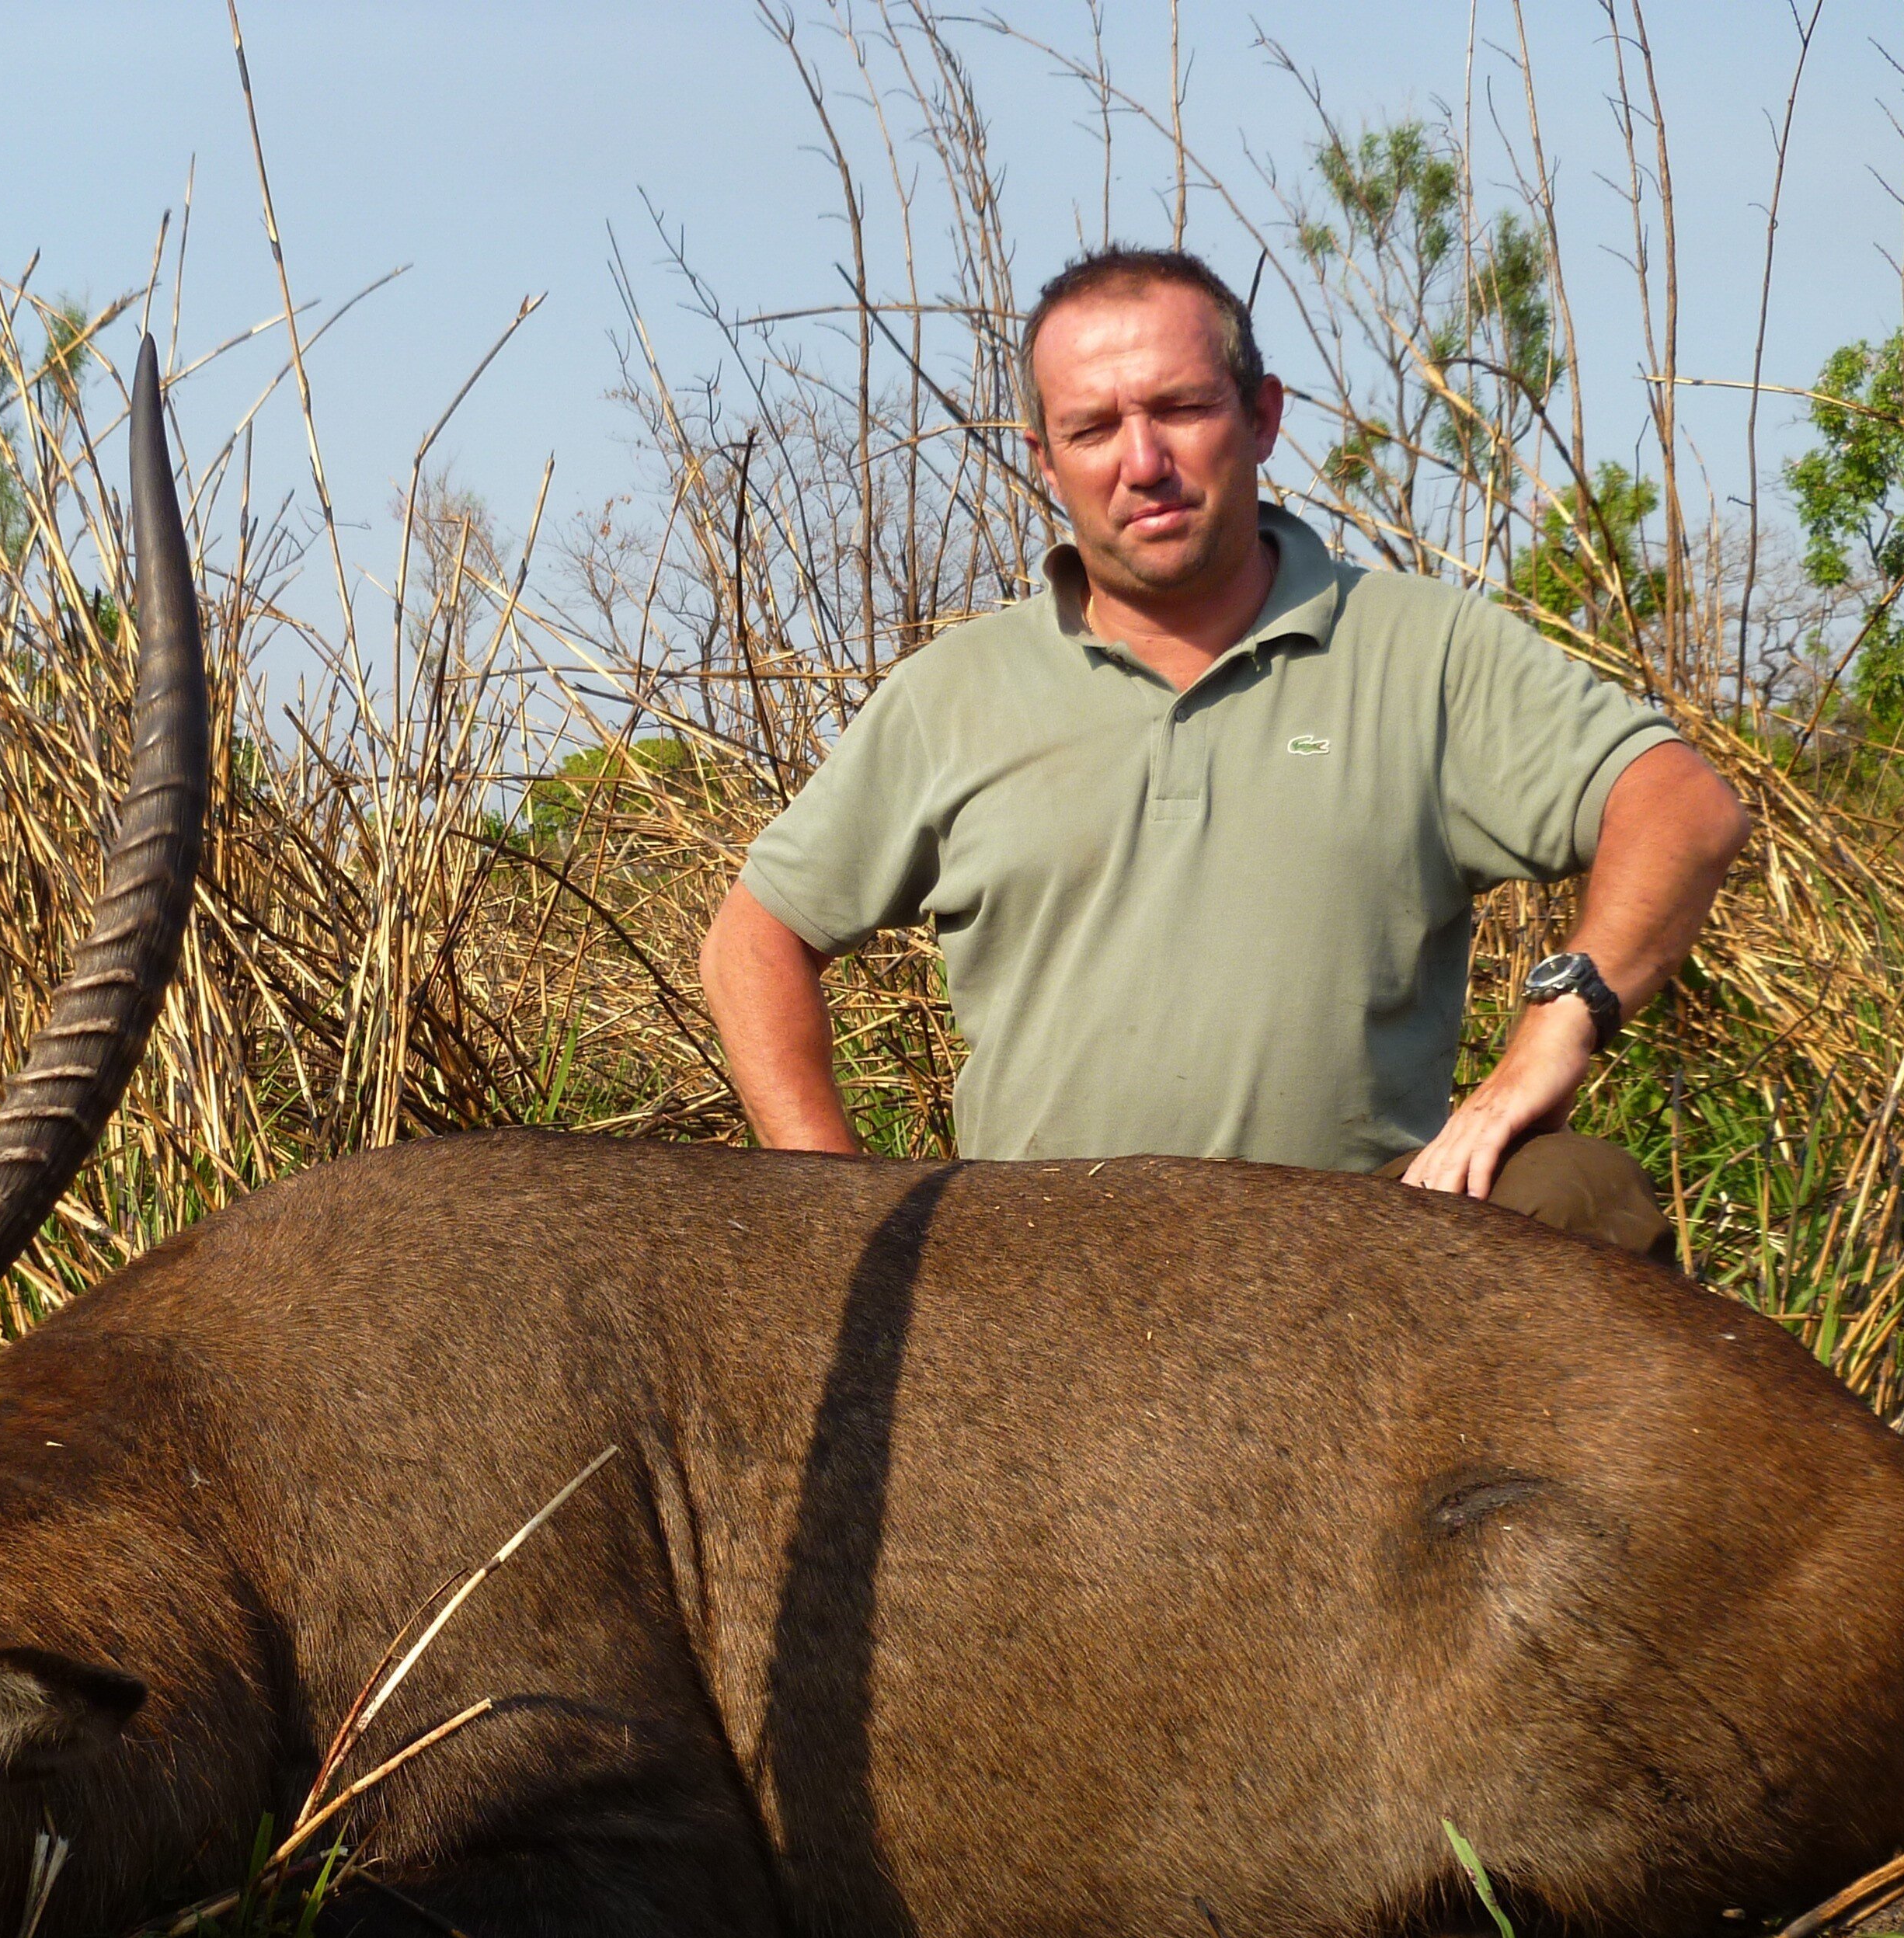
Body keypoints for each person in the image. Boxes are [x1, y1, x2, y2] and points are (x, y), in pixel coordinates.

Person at [698, 245, 1750, 1260]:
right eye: (1095, 427)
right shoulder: (955, 692)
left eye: (1182, 410)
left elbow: (1680, 807)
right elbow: (755, 940)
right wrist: (837, 1217)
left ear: (1262, 417)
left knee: (1580, 1193)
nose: (1143, 462)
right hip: (1033, 1291)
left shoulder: (1423, 648)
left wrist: (1556, 1031)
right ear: (1046, 459)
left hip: (1363, 1259)